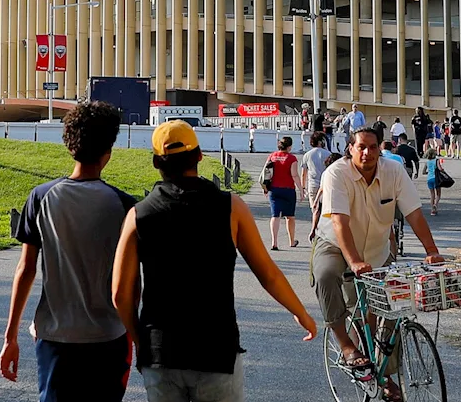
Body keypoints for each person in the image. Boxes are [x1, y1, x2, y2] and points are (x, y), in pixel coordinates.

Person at [112, 121, 317, 402]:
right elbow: (267, 273)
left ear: (156, 162)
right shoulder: (231, 207)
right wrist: (301, 313)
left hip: (161, 354)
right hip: (217, 352)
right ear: (199, 155)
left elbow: (120, 295)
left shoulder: (139, 215)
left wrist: (141, 342)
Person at [0, 101, 135, 402]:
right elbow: (131, 283)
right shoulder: (125, 205)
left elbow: (26, 269)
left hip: (55, 337)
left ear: (69, 145)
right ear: (108, 152)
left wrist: (10, 337)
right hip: (109, 336)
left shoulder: (41, 197)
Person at [312, 127, 445, 402]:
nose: (367, 152)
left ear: (380, 150)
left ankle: (384, 376)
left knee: (387, 309)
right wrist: (354, 261)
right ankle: (346, 345)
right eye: (361, 147)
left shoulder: (394, 172)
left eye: (373, 147)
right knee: (325, 276)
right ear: (350, 149)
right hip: (336, 244)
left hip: (377, 250)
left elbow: (414, 213)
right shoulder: (337, 173)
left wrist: (432, 251)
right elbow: (339, 222)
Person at [265, 137, 303, 250]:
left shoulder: (272, 156)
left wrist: (265, 187)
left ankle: (274, 242)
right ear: (289, 146)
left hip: (274, 189)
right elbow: (294, 175)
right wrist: (301, 189)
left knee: (275, 216)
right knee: (290, 217)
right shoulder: (292, 158)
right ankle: (291, 241)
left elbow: (267, 172)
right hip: (288, 190)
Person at [300, 132, 332, 212]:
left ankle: (315, 223)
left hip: (313, 184)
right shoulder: (328, 154)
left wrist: (303, 187)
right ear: (321, 142)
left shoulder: (307, 155)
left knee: (314, 209)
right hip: (326, 184)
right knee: (325, 209)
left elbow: (303, 174)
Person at [422, 145, 444, 216]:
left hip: (429, 179)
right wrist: (442, 171)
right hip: (436, 179)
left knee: (432, 195)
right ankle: (435, 205)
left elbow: (423, 172)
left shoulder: (427, 162)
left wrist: (429, 172)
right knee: (438, 194)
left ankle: (432, 209)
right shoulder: (436, 160)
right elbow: (440, 168)